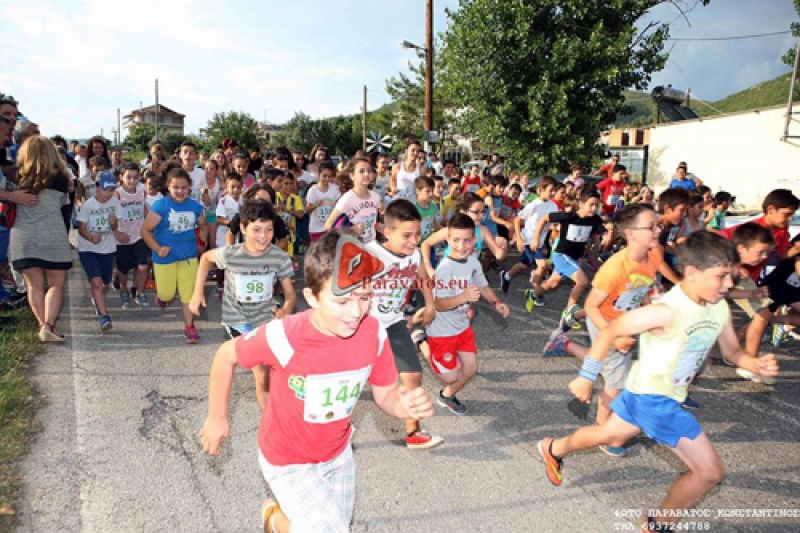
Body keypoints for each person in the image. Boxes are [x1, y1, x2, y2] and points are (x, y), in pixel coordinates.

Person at [537, 231, 779, 532]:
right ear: (692, 273)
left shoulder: (717, 307)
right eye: (721, 277)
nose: (729, 285)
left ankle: (553, 448)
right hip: (654, 401)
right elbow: (612, 331)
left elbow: (731, 351)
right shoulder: (666, 310)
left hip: (646, 392)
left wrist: (754, 363)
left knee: (609, 435)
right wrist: (586, 377)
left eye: (731, 277)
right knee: (709, 472)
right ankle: (657, 524)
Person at [199, 230, 435, 532]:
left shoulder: (373, 332)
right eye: (342, 301)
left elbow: (386, 392)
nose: (355, 312)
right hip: (286, 460)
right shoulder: (285, 335)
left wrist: (404, 405)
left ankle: (276, 521)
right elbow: (225, 355)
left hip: (337, 455)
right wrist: (217, 417)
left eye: (364, 298)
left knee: (331, 526)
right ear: (312, 298)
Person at [543, 204, 673, 456]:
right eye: (651, 226)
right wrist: (616, 334)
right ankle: (604, 432)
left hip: (626, 323)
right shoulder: (614, 268)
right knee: (616, 383)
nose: (658, 229)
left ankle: (565, 344)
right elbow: (591, 306)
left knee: (614, 370)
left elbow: (643, 287)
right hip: (605, 322)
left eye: (658, 224)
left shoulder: (652, 255)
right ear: (630, 233)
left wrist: (651, 316)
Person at [190, 200, 295, 410]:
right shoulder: (231, 254)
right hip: (238, 320)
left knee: (274, 370)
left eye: (268, 229)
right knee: (262, 371)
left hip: (266, 317)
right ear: (242, 228)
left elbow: (291, 293)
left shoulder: (279, 257)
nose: (263, 236)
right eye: (256, 229)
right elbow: (205, 259)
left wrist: (285, 309)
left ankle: (274, 410)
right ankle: (271, 420)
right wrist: (197, 292)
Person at [367, 199, 441, 448]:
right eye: (406, 235)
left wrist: (430, 304)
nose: (414, 240)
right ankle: (331, 436)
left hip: (394, 324)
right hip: (363, 329)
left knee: (412, 376)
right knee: (346, 382)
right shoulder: (369, 254)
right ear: (387, 232)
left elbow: (422, 278)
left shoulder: (415, 255)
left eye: (418, 234)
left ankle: (413, 433)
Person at [426, 213, 509, 414]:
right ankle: (421, 343)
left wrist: (496, 302)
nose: (461, 246)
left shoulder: (472, 260)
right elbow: (438, 304)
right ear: (448, 240)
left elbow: (483, 285)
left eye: (466, 241)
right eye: (456, 240)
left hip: (462, 327)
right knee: (451, 376)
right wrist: (463, 297)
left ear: (474, 241)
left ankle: (447, 396)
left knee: (471, 369)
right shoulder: (445, 268)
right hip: (442, 331)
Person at [9, 137, 72, 342]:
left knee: (34, 284)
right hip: (52, 234)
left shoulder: (15, 177)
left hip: (23, 235)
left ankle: (41, 324)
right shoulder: (61, 179)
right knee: (56, 283)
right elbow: (65, 206)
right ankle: (49, 325)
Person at [141, 168, 208, 343]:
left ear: (190, 188)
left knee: (188, 294)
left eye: (184, 187)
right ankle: (162, 298)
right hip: (165, 258)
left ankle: (189, 327)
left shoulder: (194, 206)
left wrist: (203, 233)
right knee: (167, 294)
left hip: (188, 257)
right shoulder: (161, 206)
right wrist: (157, 248)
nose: (180, 191)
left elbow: (203, 223)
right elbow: (145, 231)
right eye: (176, 187)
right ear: (168, 187)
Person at [528, 188, 605, 327]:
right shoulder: (569, 216)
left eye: (596, 205)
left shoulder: (594, 219)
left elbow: (601, 231)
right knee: (582, 282)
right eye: (591, 205)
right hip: (562, 255)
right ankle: (569, 313)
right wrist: (535, 238)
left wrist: (601, 239)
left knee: (553, 283)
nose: (594, 209)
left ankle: (533, 293)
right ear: (581, 203)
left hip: (574, 257)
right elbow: (545, 218)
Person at [500, 175, 558, 297]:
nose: (553, 193)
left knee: (522, 266)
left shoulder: (553, 206)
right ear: (541, 190)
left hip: (539, 242)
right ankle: (535, 293)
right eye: (550, 190)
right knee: (542, 265)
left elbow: (551, 225)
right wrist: (519, 239)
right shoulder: (534, 205)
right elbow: (517, 220)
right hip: (528, 240)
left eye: (554, 190)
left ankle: (506, 275)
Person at [77, 171, 120, 331]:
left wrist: (114, 223)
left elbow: (115, 227)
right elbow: (81, 229)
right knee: (96, 282)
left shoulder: (115, 203)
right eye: (104, 189)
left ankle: (97, 298)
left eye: (111, 190)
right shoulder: (88, 205)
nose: (108, 193)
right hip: (88, 249)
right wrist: (90, 237)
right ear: (96, 188)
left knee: (105, 283)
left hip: (108, 249)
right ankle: (105, 317)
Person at [113, 162, 150, 308]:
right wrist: (116, 232)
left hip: (138, 235)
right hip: (122, 238)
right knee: (123, 270)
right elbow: (111, 216)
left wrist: (151, 225)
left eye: (135, 177)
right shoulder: (117, 194)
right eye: (128, 177)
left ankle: (139, 293)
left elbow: (145, 209)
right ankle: (123, 290)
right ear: (121, 177)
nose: (131, 181)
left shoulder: (142, 192)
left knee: (142, 266)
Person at [325, 157, 381, 243]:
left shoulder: (376, 197)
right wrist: (351, 229)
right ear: (352, 176)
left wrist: (380, 226)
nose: (366, 174)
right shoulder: (347, 198)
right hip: (353, 246)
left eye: (369, 171)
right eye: (361, 171)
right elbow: (328, 226)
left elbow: (373, 222)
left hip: (371, 246)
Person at [304, 161, 340, 242]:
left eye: (329, 176)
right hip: (316, 229)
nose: (327, 179)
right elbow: (307, 210)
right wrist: (315, 205)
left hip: (331, 228)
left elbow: (339, 207)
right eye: (324, 176)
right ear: (319, 174)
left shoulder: (335, 189)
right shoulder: (313, 190)